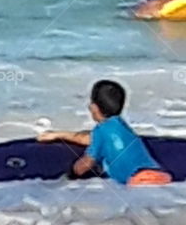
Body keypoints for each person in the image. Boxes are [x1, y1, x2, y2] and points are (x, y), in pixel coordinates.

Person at [38, 79, 172, 185]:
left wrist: (70, 175)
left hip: (138, 181)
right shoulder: (121, 126)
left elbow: (86, 163)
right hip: (160, 176)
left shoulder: (100, 131)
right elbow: (87, 138)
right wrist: (58, 134)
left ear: (93, 107)